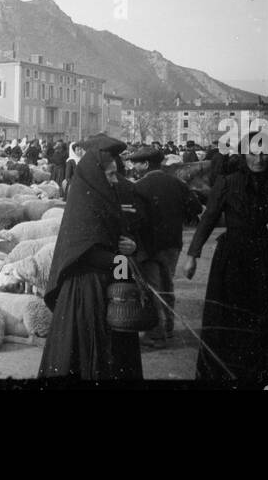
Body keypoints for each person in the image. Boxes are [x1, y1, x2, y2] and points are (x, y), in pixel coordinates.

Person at [39, 134, 149, 381]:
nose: (114, 180)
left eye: (114, 174)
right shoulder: (84, 203)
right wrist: (123, 263)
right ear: (96, 174)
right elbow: (87, 252)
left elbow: (122, 239)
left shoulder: (106, 197)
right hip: (85, 291)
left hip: (111, 288)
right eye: (110, 175)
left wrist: (131, 248)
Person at [181, 131, 268, 384]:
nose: (259, 158)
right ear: (244, 154)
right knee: (227, 316)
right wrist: (192, 255)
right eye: (253, 152)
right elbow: (209, 218)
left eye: (264, 152)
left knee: (258, 316)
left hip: (264, 256)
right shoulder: (228, 182)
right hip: (232, 257)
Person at [126, 145, 202, 349]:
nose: (134, 166)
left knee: (152, 289)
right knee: (168, 285)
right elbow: (195, 208)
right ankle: (168, 327)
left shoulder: (138, 187)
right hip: (173, 244)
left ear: (145, 164)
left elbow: (135, 218)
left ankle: (156, 334)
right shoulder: (177, 183)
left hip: (148, 246)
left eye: (136, 163)